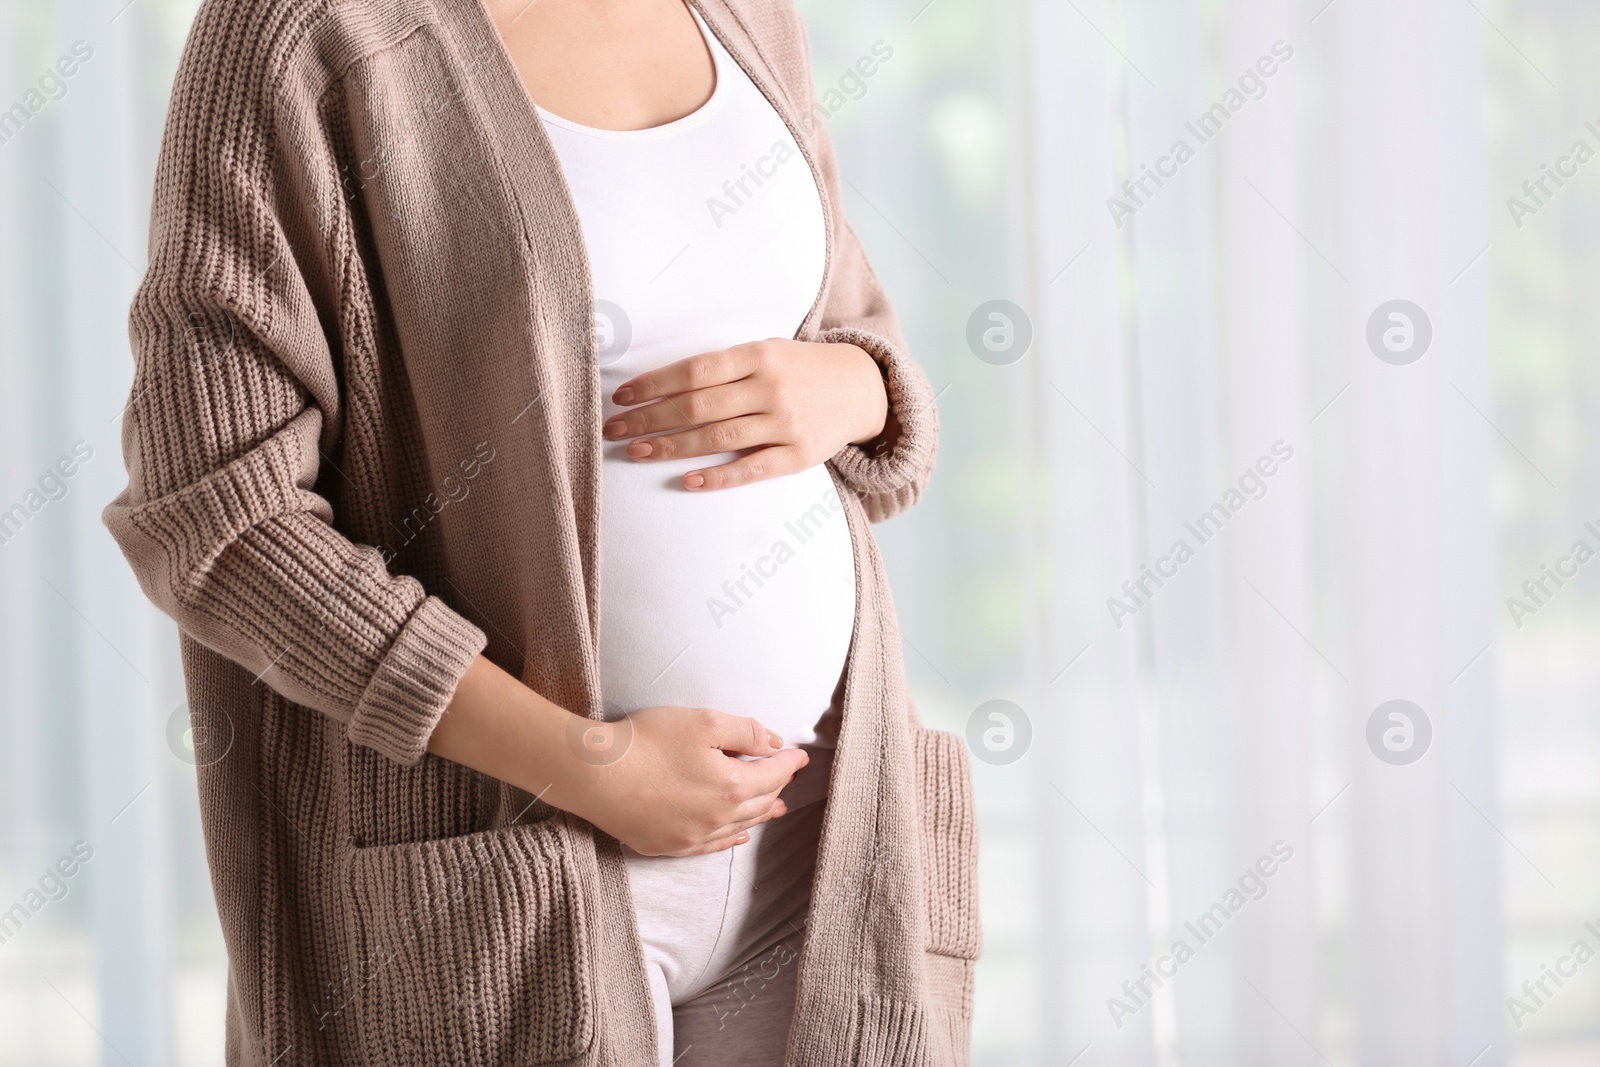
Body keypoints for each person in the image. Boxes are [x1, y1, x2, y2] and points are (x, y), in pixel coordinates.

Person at [105, 0, 980, 1063]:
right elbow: (213, 511)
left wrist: (864, 390)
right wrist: (582, 760)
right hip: (506, 859)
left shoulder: (748, 14)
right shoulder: (304, 31)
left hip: (822, 832)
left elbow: (849, 338)